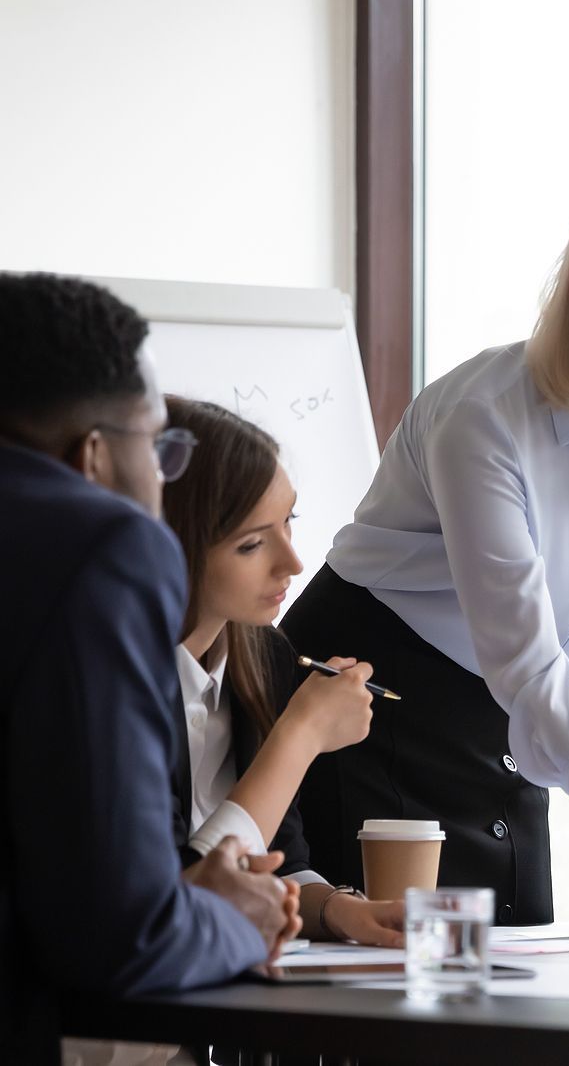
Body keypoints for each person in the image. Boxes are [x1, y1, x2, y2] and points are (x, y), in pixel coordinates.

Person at [282, 146, 569, 940]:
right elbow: (527, 663)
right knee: (405, 1006)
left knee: (516, 994)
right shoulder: (486, 416)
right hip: (371, 714)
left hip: (510, 730)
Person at [0, 273, 296, 1060]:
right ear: (92, 455)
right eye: (160, 449)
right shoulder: (100, 545)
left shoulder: (255, 670)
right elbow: (120, 933)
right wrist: (237, 915)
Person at [162, 397, 407, 947]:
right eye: (251, 543)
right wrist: (302, 734)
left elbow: (281, 861)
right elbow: (180, 890)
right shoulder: (117, 680)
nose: (294, 562)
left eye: (288, 521)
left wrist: (341, 911)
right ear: (170, 548)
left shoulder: (265, 656)